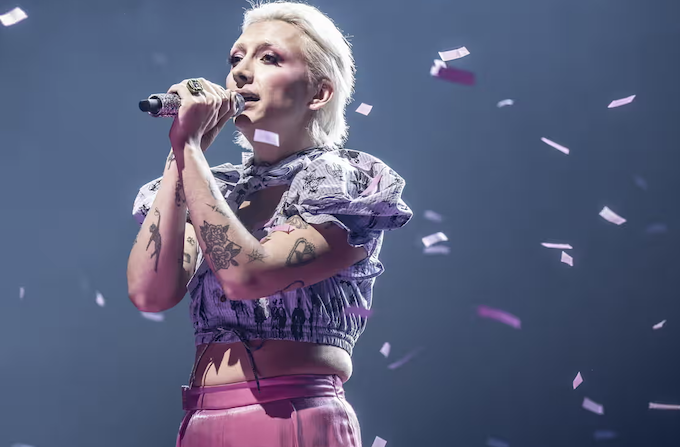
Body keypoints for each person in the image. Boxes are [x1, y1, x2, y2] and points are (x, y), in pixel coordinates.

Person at [127, 1, 412, 445]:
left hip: (291, 416)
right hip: (200, 422)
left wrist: (191, 152)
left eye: (269, 58)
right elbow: (150, 293)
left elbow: (248, 276)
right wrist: (180, 153)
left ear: (319, 93)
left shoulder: (344, 181)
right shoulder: (217, 187)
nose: (241, 72)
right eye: (236, 58)